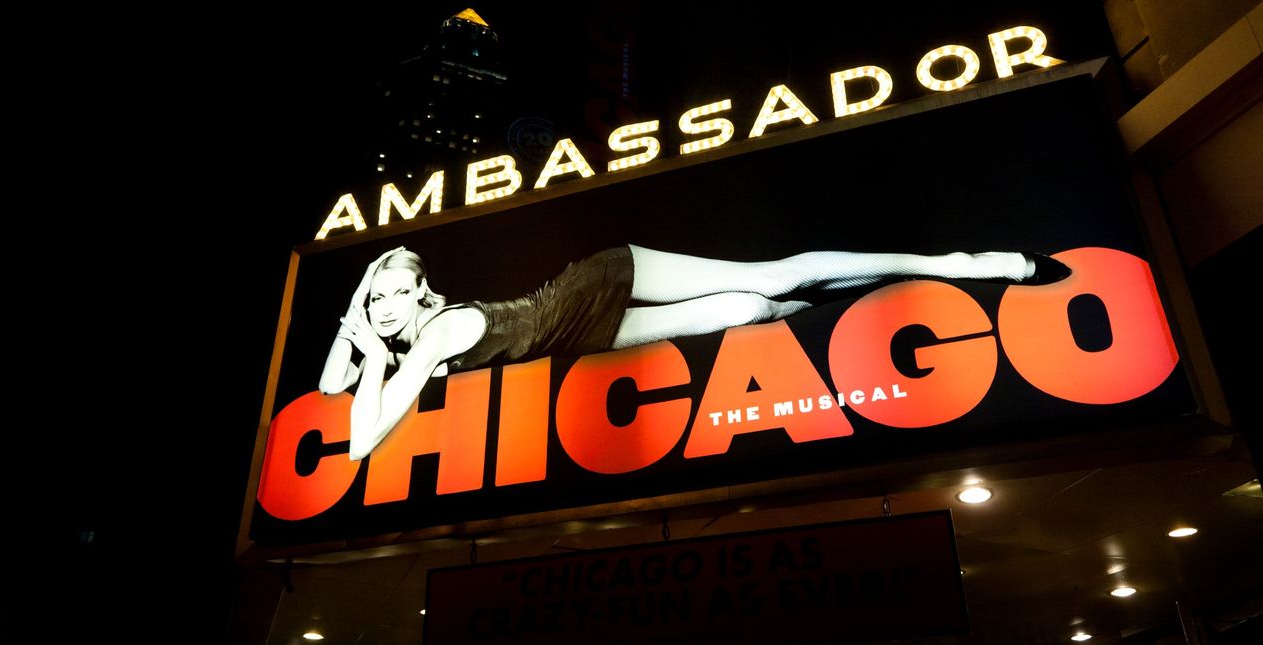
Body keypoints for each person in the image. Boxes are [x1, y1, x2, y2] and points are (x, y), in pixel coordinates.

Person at [319, 244, 1070, 460]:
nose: (381, 307)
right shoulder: (408, 335)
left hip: (592, 285)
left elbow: (358, 444)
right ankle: (882, 297)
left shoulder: (437, 334)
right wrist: (355, 325)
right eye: (372, 296)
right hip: (579, 339)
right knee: (750, 313)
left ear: (420, 294)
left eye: (389, 293)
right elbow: (330, 397)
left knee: (779, 275)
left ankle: (966, 264)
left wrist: (377, 357)